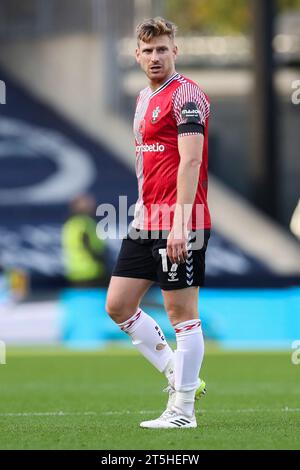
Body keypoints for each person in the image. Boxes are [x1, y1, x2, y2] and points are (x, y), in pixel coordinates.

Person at [106, 17, 211, 429]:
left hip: (180, 219)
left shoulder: (186, 95)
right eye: (148, 50)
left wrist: (181, 223)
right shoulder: (143, 98)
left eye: (162, 49)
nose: (155, 57)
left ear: (175, 52)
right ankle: (177, 372)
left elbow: (191, 160)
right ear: (137, 55)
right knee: (118, 304)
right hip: (146, 218)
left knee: (180, 312)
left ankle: (183, 410)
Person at [62, 195, 108, 288]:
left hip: (74, 272)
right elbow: (88, 246)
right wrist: (101, 259)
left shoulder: (69, 224)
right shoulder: (85, 223)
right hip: (92, 272)